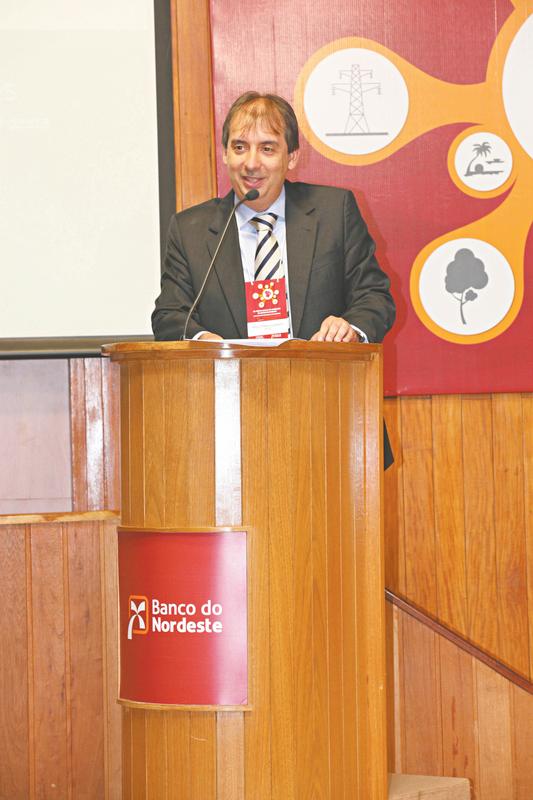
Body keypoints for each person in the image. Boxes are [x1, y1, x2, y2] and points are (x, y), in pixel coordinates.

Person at [152, 91, 395, 346]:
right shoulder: (190, 230)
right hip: (226, 370)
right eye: (239, 147)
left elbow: (374, 296)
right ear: (225, 153)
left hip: (317, 369)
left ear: (291, 157)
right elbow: (169, 316)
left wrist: (349, 328)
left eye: (267, 149)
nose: (251, 163)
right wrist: (204, 343)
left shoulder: (333, 213)